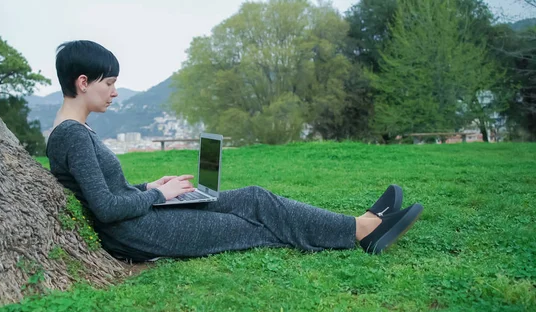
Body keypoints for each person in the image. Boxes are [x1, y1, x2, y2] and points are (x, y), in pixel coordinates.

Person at [46, 40, 424, 262]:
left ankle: (360, 224)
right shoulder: (72, 135)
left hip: (143, 217)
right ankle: (361, 231)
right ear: (83, 82)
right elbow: (107, 209)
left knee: (255, 198)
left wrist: (148, 187)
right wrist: (159, 196)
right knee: (250, 225)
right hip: (141, 232)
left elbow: (108, 192)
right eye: (109, 83)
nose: (114, 92)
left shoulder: (76, 131)